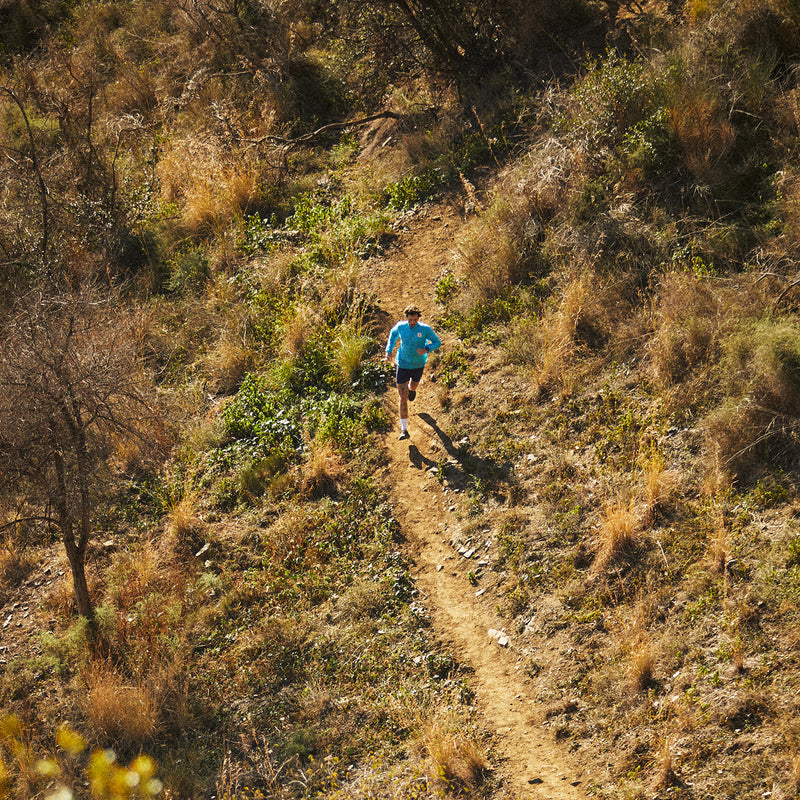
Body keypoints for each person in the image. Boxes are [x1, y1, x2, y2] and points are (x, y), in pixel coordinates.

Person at [384, 304, 441, 440]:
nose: (412, 322)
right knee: (403, 396)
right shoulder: (401, 326)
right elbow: (393, 335)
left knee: (413, 386)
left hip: (418, 364)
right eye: (410, 320)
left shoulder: (425, 329)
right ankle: (404, 430)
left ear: (418, 318)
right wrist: (389, 350)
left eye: (415, 320)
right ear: (407, 318)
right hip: (402, 363)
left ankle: (412, 389)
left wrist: (426, 349)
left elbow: (437, 342)